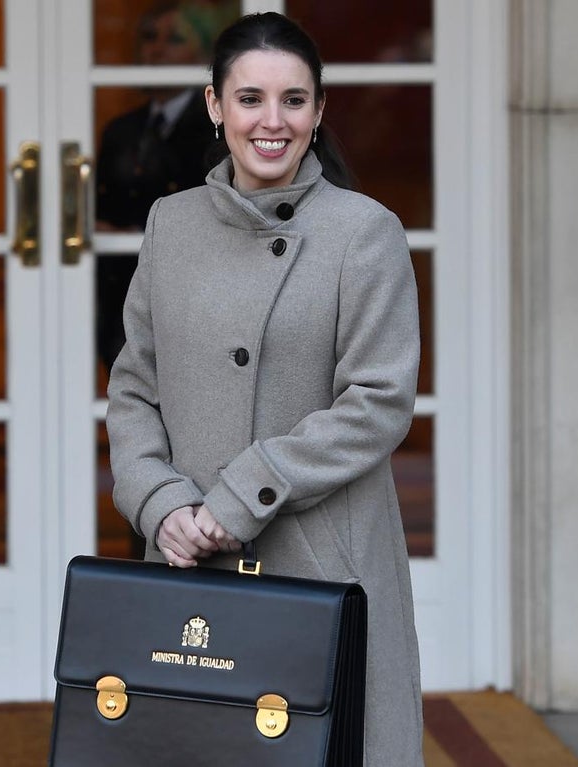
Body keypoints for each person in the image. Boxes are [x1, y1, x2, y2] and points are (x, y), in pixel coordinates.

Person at [105, 11, 424, 765]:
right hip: (188, 560)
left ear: (320, 111)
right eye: (250, 99)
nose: (271, 121)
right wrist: (160, 503)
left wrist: (240, 494)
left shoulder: (364, 231)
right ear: (215, 105)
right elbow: (133, 386)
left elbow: (378, 399)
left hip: (318, 560)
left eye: (293, 100)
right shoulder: (171, 224)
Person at [94, 1, 227, 370]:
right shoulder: (121, 130)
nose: (156, 49)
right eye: (149, 37)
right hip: (123, 290)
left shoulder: (219, 131)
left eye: (174, 39)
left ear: (202, 54)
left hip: (193, 295)